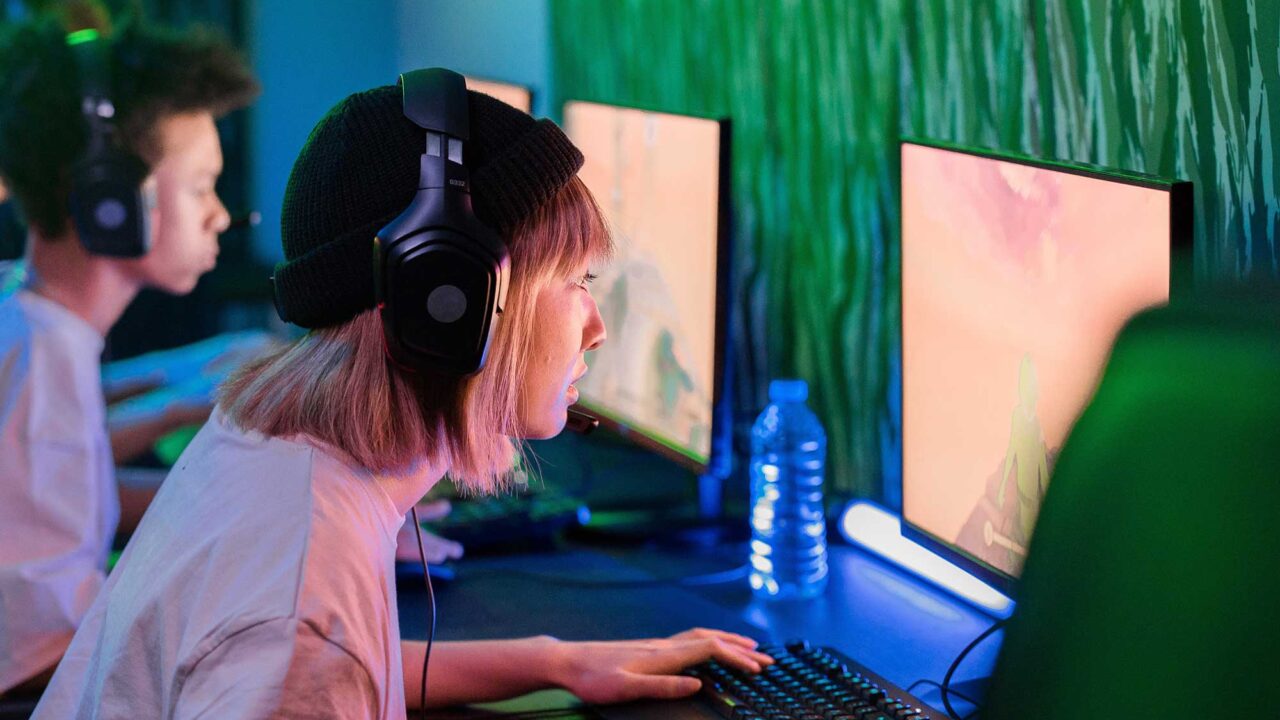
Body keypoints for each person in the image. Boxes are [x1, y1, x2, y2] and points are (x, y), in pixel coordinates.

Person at [31, 75, 772, 716]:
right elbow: (314, 655)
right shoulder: (307, 610)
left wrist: (555, 660)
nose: (598, 327)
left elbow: (347, 665)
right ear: (449, 298)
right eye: (575, 281)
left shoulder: (269, 449)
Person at [0, 12, 258, 695]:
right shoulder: (43, 361)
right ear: (112, 201)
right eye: (202, 186)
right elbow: (43, 653)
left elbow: (81, 502)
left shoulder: (39, 326)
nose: (220, 216)